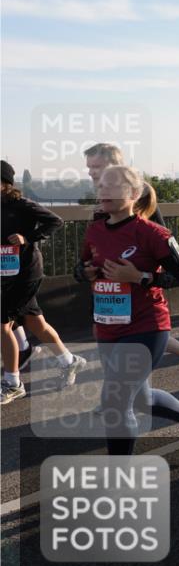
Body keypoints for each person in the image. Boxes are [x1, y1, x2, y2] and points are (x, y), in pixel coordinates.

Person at [75, 165, 179, 455]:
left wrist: (141, 277)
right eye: (101, 186)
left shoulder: (153, 233)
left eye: (114, 186)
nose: (105, 191)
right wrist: (85, 272)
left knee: (115, 400)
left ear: (134, 194)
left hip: (146, 325)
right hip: (109, 326)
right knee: (137, 398)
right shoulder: (95, 231)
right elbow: (82, 268)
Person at [84, 144, 179, 383]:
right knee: (102, 331)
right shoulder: (103, 198)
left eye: (95, 167)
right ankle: (119, 393)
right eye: (89, 167)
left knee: (137, 338)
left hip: (139, 288)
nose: (90, 172)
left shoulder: (138, 194)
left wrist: (140, 275)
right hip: (108, 289)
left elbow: (161, 236)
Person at [2, 161, 85, 404]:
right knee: (36, 323)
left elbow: (56, 221)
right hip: (6, 274)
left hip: (27, 272)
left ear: (5, 183)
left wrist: (27, 238)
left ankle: (12, 382)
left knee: (2, 326)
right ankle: (69, 361)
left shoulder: (22, 205)